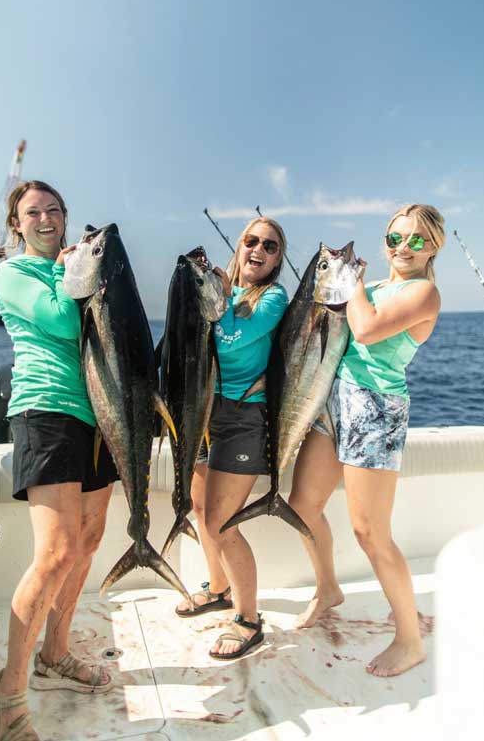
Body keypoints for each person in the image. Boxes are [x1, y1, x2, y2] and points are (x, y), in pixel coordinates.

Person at [288, 203, 445, 677]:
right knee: (301, 506)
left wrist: (349, 279)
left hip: (376, 409)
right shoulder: (377, 287)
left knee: (370, 532)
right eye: (396, 237)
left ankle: (410, 640)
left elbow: (367, 328)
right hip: (333, 400)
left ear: (433, 245)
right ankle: (328, 588)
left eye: (417, 239)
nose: (404, 247)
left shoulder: (425, 293)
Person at [0, 181, 119, 741]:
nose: (45, 218)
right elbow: (64, 323)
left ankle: (55, 654)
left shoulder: (76, 266)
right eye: (32, 212)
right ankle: (9, 689)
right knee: (57, 550)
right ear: (17, 225)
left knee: (87, 544)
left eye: (54, 210)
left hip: (97, 416)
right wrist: (74, 273)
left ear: (66, 217)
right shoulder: (13, 273)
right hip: (44, 410)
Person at [175, 217, 289, 660]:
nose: (258, 249)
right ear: (239, 247)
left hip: (244, 416)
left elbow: (230, 338)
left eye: (271, 245)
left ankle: (248, 618)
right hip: (204, 410)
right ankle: (219, 587)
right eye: (251, 240)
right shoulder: (222, 291)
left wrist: (217, 297)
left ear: (278, 259)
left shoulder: (273, 297)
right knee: (202, 511)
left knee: (223, 522)